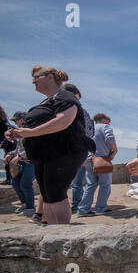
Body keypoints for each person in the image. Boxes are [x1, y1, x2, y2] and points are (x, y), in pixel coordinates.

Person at [5, 65, 95, 225]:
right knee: (47, 195)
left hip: (63, 153)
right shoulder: (47, 100)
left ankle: (60, 236)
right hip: (45, 156)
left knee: (56, 193)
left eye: (36, 77)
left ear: (50, 78)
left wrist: (29, 133)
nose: (33, 81)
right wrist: (17, 132)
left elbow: (63, 121)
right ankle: (52, 232)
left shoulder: (65, 96)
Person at [61, 83, 94, 212]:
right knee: (77, 182)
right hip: (78, 151)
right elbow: (90, 133)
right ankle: (78, 205)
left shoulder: (76, 111)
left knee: (76, 183)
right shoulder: (83, 112)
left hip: (74, 152)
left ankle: (77, 205)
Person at [77, 113, 117, 216]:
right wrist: (115, 150)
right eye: (108, 121)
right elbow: (109, 138)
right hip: (101, 159)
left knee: (90, 185)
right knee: (105, 184)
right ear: (104, 120)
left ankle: (83, 209)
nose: (109, 123)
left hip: (88, 158)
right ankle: (101, 208)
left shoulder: (89, 128)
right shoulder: (105, 127)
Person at [4, 111, 35, 216]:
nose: (15, 123)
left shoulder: (30, 131)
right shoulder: (19, 132)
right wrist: (11, 154)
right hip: (21, 162)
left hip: (30, 162)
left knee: (25, 184)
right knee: (15, 183)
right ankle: (25, 204)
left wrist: (19, 157)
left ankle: (30, 207)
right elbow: (19, 148)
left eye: (16, 120)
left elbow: (31, 148)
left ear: (22, 119)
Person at [0, 106, 17, 185]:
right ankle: (9, 179)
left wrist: (2, 144)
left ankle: (9, 180)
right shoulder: (4, 122)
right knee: (8, 162)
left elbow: (8, 136)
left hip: (11, 144)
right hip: (8, 144)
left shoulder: (5, 124)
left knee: (9, 162)